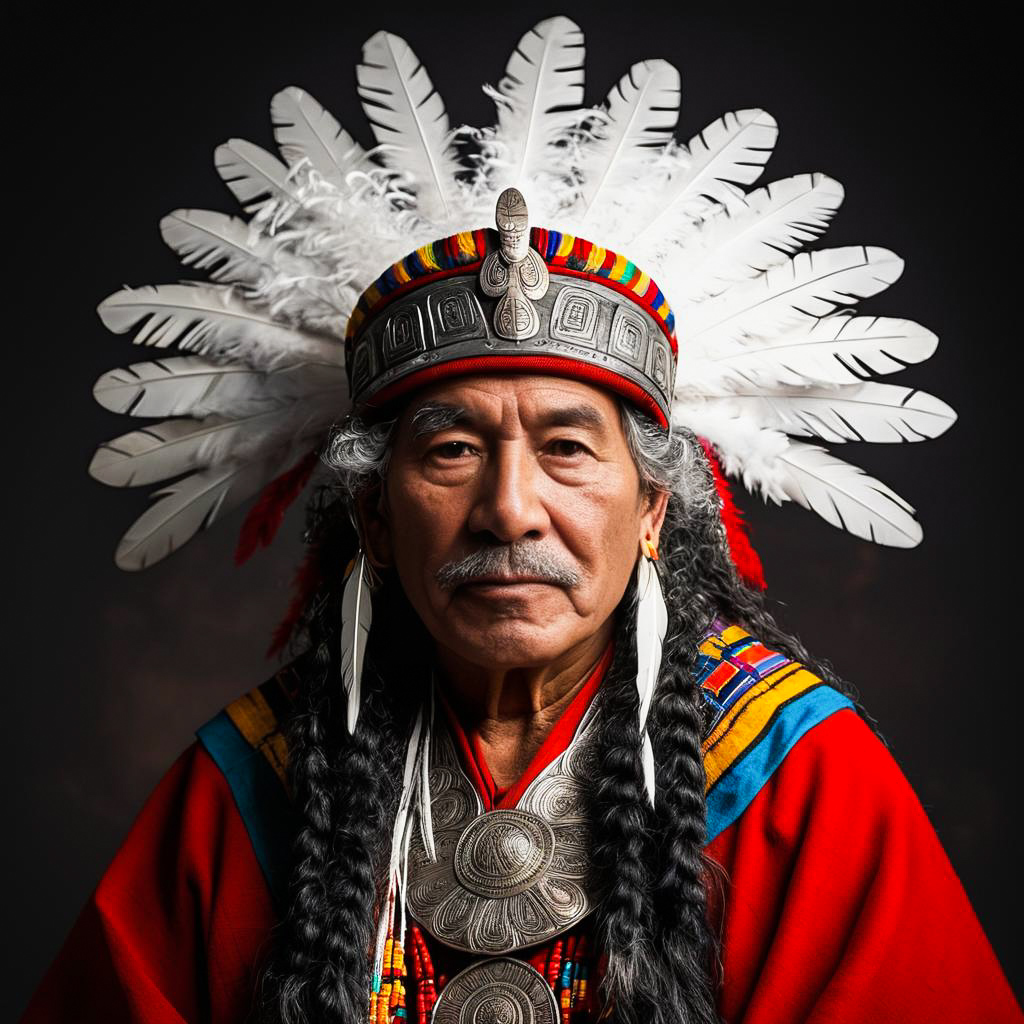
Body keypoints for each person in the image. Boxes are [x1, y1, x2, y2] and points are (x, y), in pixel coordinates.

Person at [22, 15, 1020, 1024]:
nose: (507, 508)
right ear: (372, 514)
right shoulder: (259, 782)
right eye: (451, 449)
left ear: (651, 511)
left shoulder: (793, 778)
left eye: (567, 448)